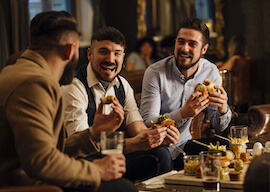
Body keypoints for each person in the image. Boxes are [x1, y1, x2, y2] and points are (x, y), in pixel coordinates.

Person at [0, 11, 138, 192]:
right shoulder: (35, 83)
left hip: (29, 176)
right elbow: (41, 162)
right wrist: (97, 170)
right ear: (70, 50)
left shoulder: (18, 70)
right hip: (22, 183)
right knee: (124, 188)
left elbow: (51, 151)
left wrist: (94, 132)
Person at [61, 26, 180, 181]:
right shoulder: (74, 87)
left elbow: (139, 131)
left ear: (123, 57)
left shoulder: (123, 85)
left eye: (117, 53)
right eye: (103, 51)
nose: (110, 59)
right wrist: (136, 144)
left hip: (113, 156)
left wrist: (156, 138)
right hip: (84, 162)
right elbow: (80, 146)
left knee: (161, 154)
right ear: (90, 54)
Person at [140, 17, 232, 170]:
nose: (184, 48)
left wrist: (223, 109)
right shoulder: (155, 72)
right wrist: (182, 114)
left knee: (226, 148)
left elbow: (218, 126)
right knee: (162, 157)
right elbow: (147, 123)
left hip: (185, 145)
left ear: (204, 49)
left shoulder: (210, 71)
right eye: (181, 42)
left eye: (192, 44)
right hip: (159, 147)